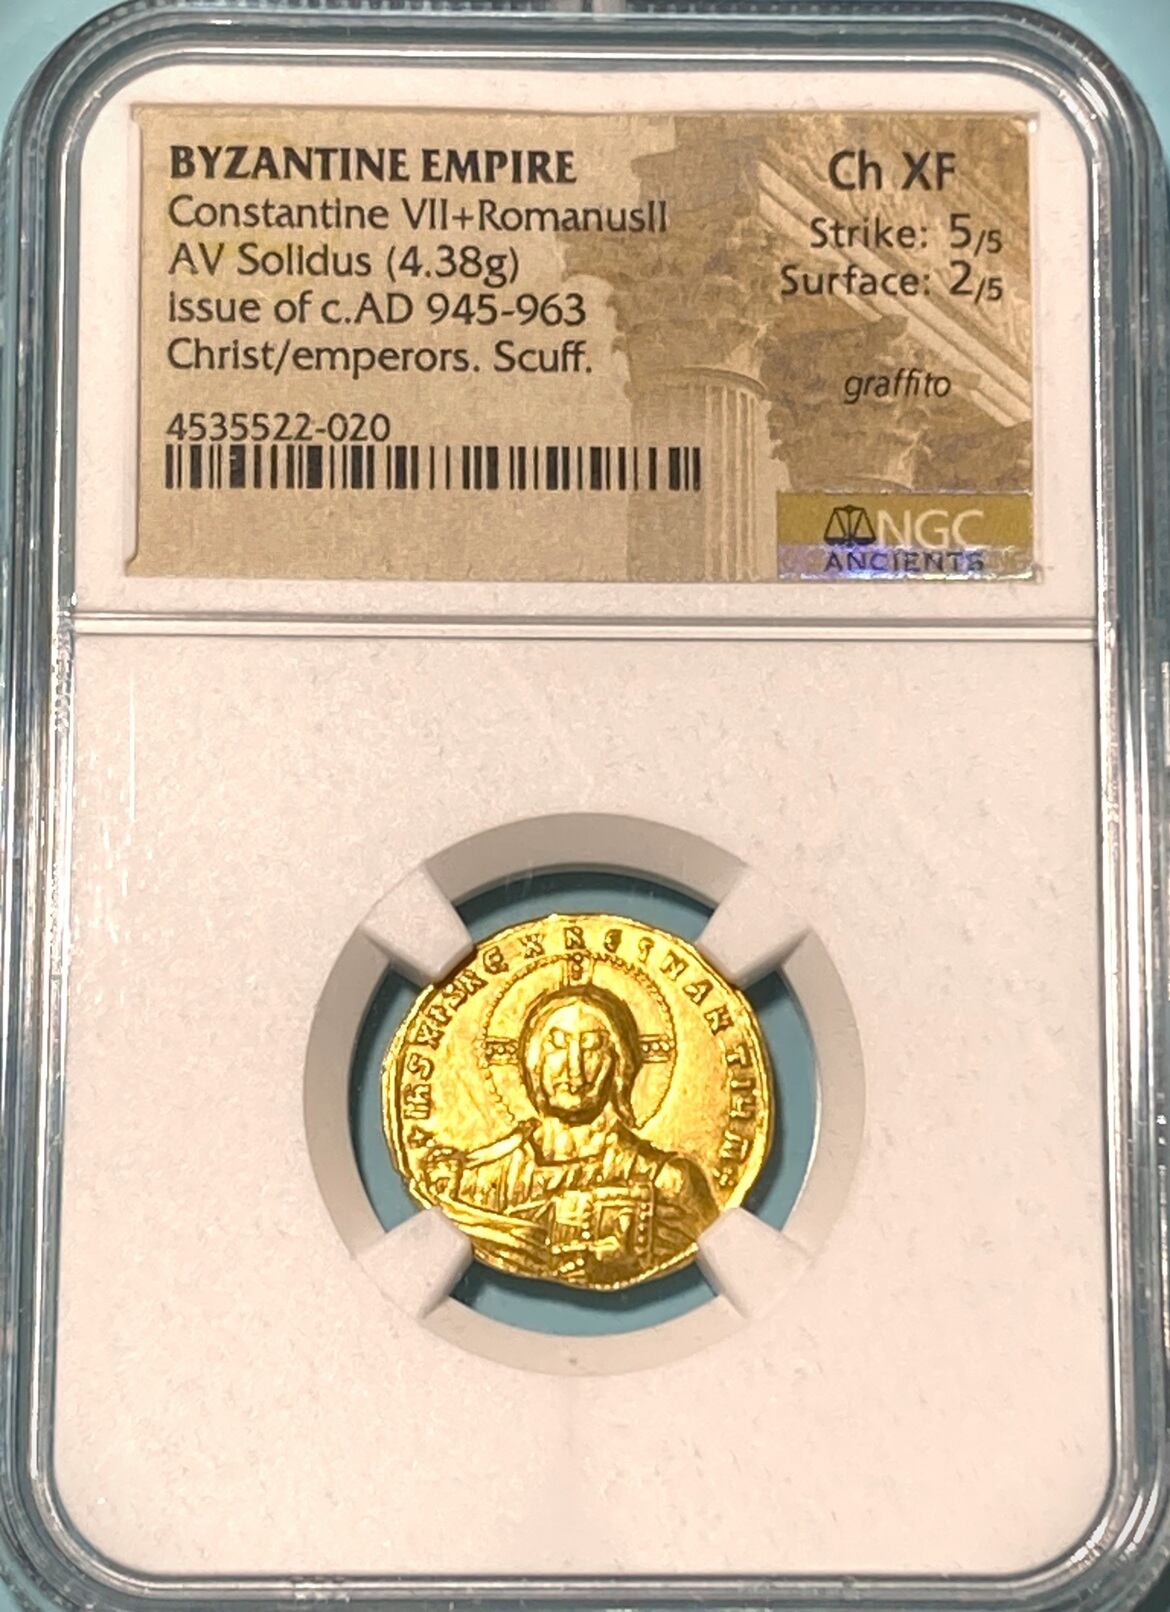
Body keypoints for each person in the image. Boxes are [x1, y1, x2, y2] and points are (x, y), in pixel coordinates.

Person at [423, 982, 716, 1286]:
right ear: (532, 1061)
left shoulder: (667, 1181)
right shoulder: (475, 1180)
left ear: (620, 1064)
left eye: (592, 1046)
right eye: (557, 1044)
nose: (574, 1067)